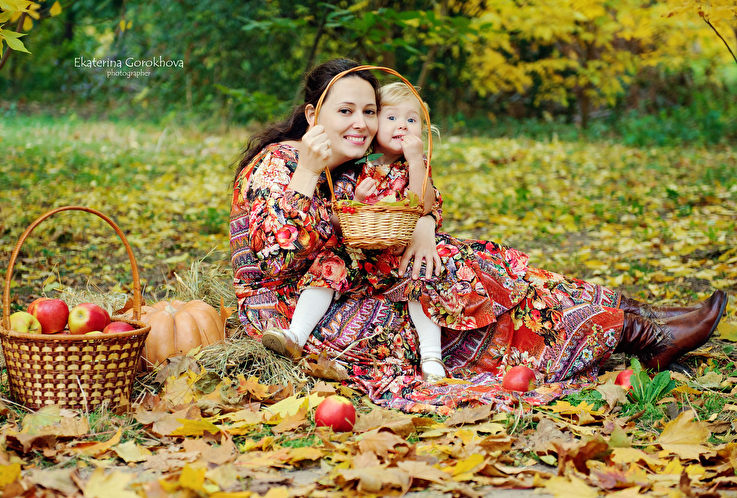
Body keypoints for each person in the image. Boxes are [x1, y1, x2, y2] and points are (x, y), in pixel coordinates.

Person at [230, 58, 727, 414]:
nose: (360, 123)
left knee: (462, 259)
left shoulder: (355, 167)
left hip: (356, 282)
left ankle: (641, 321)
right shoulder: (282, 163)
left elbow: (406, 204)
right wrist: (306, 175)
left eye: (369, 111)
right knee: (455, 271)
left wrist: (424, 224)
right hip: (297, 312)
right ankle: (633, 330)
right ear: (312, 116)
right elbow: (277, 261)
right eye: (345, 111)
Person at [262, 82, 448, 381]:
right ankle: (296, 334)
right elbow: (337, 212)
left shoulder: (414, 166)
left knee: (422, 274)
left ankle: (431, 357)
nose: (402, 126)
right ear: (375, 126)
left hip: (398, 255)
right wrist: (358, 201)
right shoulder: (356, 165)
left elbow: (424, 204)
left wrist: (416, 161)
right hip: (358, 253)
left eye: (412, 120)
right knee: (328, 265)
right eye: (392, 118)